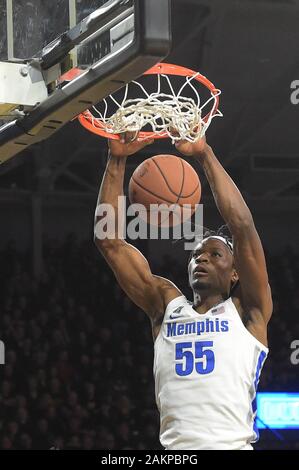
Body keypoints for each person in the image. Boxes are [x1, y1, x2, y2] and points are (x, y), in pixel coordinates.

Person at [94, 133, 273, 450]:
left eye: (215, 254)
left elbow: (242, 225)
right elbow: (109, 242)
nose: (201, 257)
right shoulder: (166, 303)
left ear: (235, 273)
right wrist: (117, 159)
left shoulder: (248, 311)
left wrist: (204, 154)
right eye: (196, 255)